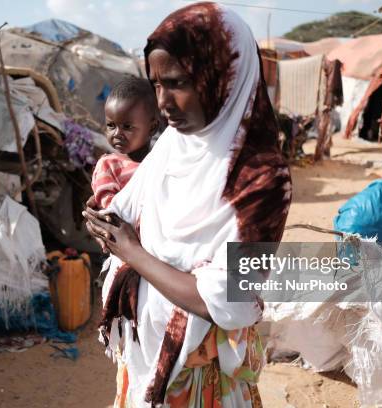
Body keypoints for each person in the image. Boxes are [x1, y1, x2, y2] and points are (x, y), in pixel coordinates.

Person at [84, 3, 292, 407]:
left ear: (224, 75)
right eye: (156, 84)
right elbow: (129, 209)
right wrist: (105, 224)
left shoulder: (262, 180)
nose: (163, 102)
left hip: (198, 377)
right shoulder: (174, 147)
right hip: (146, 355)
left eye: (178, 83)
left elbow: (223, 301)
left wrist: (130, 250)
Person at [92, 76, 160, 210]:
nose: (117, 133)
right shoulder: (108, 165)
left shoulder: (159, 162)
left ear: (152, 128)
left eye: (127, 127)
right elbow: (109, 207)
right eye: (111, 125)